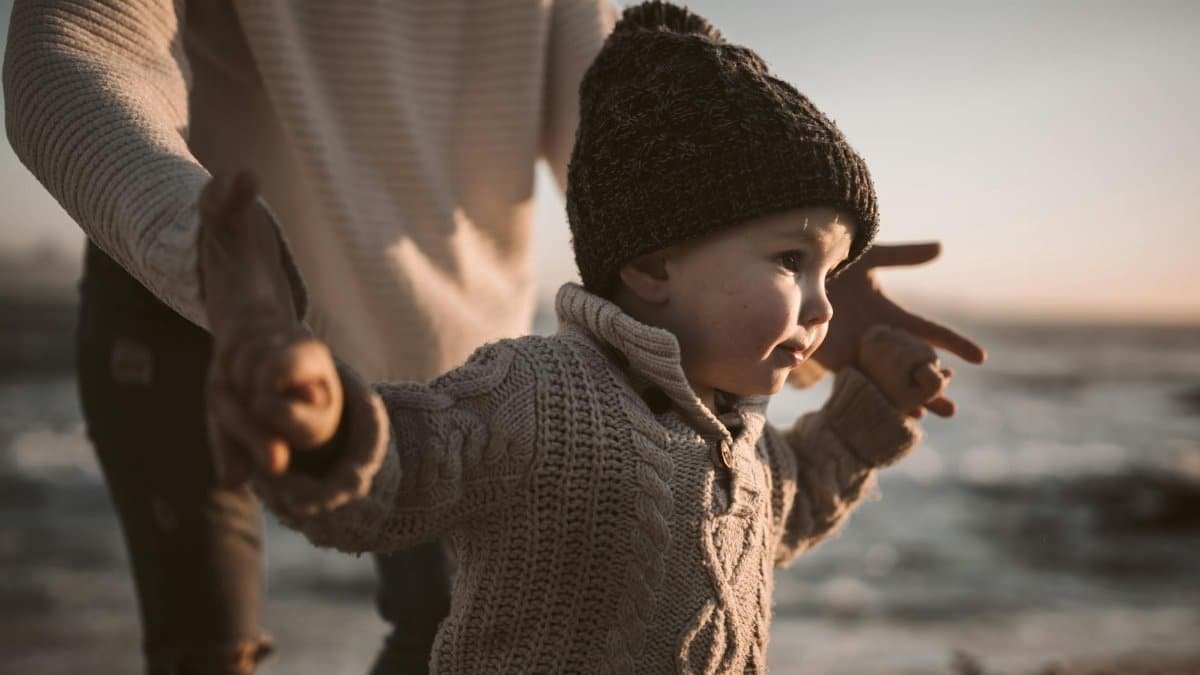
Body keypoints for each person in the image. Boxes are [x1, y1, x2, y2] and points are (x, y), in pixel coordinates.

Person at [198, 3, 982, 672]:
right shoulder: (537, 394)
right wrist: (328, 421)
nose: (823, 309)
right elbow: (406, 466)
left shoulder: (736, 435)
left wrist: (876, 400)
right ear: (648, 262)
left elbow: (795, 498)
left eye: (830, 273)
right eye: (791, 260)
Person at [3, 1, 620, 672]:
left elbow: (620, 128)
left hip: (454, 359)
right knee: (207, 655)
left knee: (458, 644)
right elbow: (76, 41)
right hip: (198, 287)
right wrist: (218, 258)